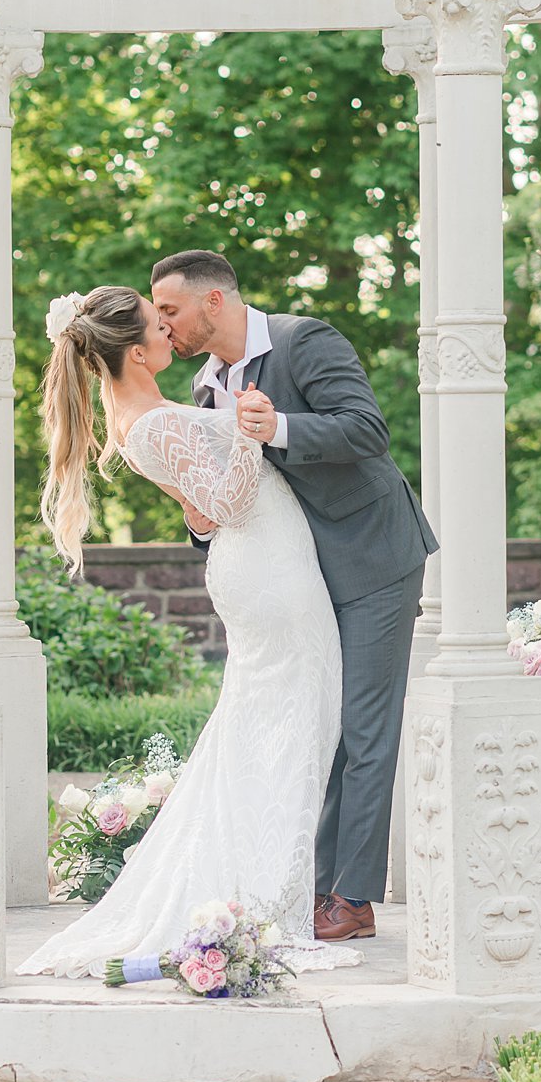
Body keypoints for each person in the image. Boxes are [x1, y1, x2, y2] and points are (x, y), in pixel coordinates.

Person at [17, 283, 354, 980]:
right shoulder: (152, 421)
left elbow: (199, 509)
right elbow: (229, 502)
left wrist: (232, 434)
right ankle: (267, 901)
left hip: (264, 566)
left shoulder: (138, 414)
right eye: (157, 327)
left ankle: (257, 893)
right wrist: (251, 425)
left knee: (267, 728)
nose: (172, 333)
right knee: (292, 723)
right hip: (267, 571)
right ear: (137, 352)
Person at [151, 250, 435, 941]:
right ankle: (312, 883)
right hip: (296, 572)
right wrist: (198, 522)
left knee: (365, 727)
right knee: (320, 722)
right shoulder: (202, 387)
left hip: (371, 556)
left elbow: (368, 429)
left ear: (212, 302)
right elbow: (228, 494)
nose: (164, 325)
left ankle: (352, 897)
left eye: (169, 310)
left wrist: (274, 425)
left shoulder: (305, 339)